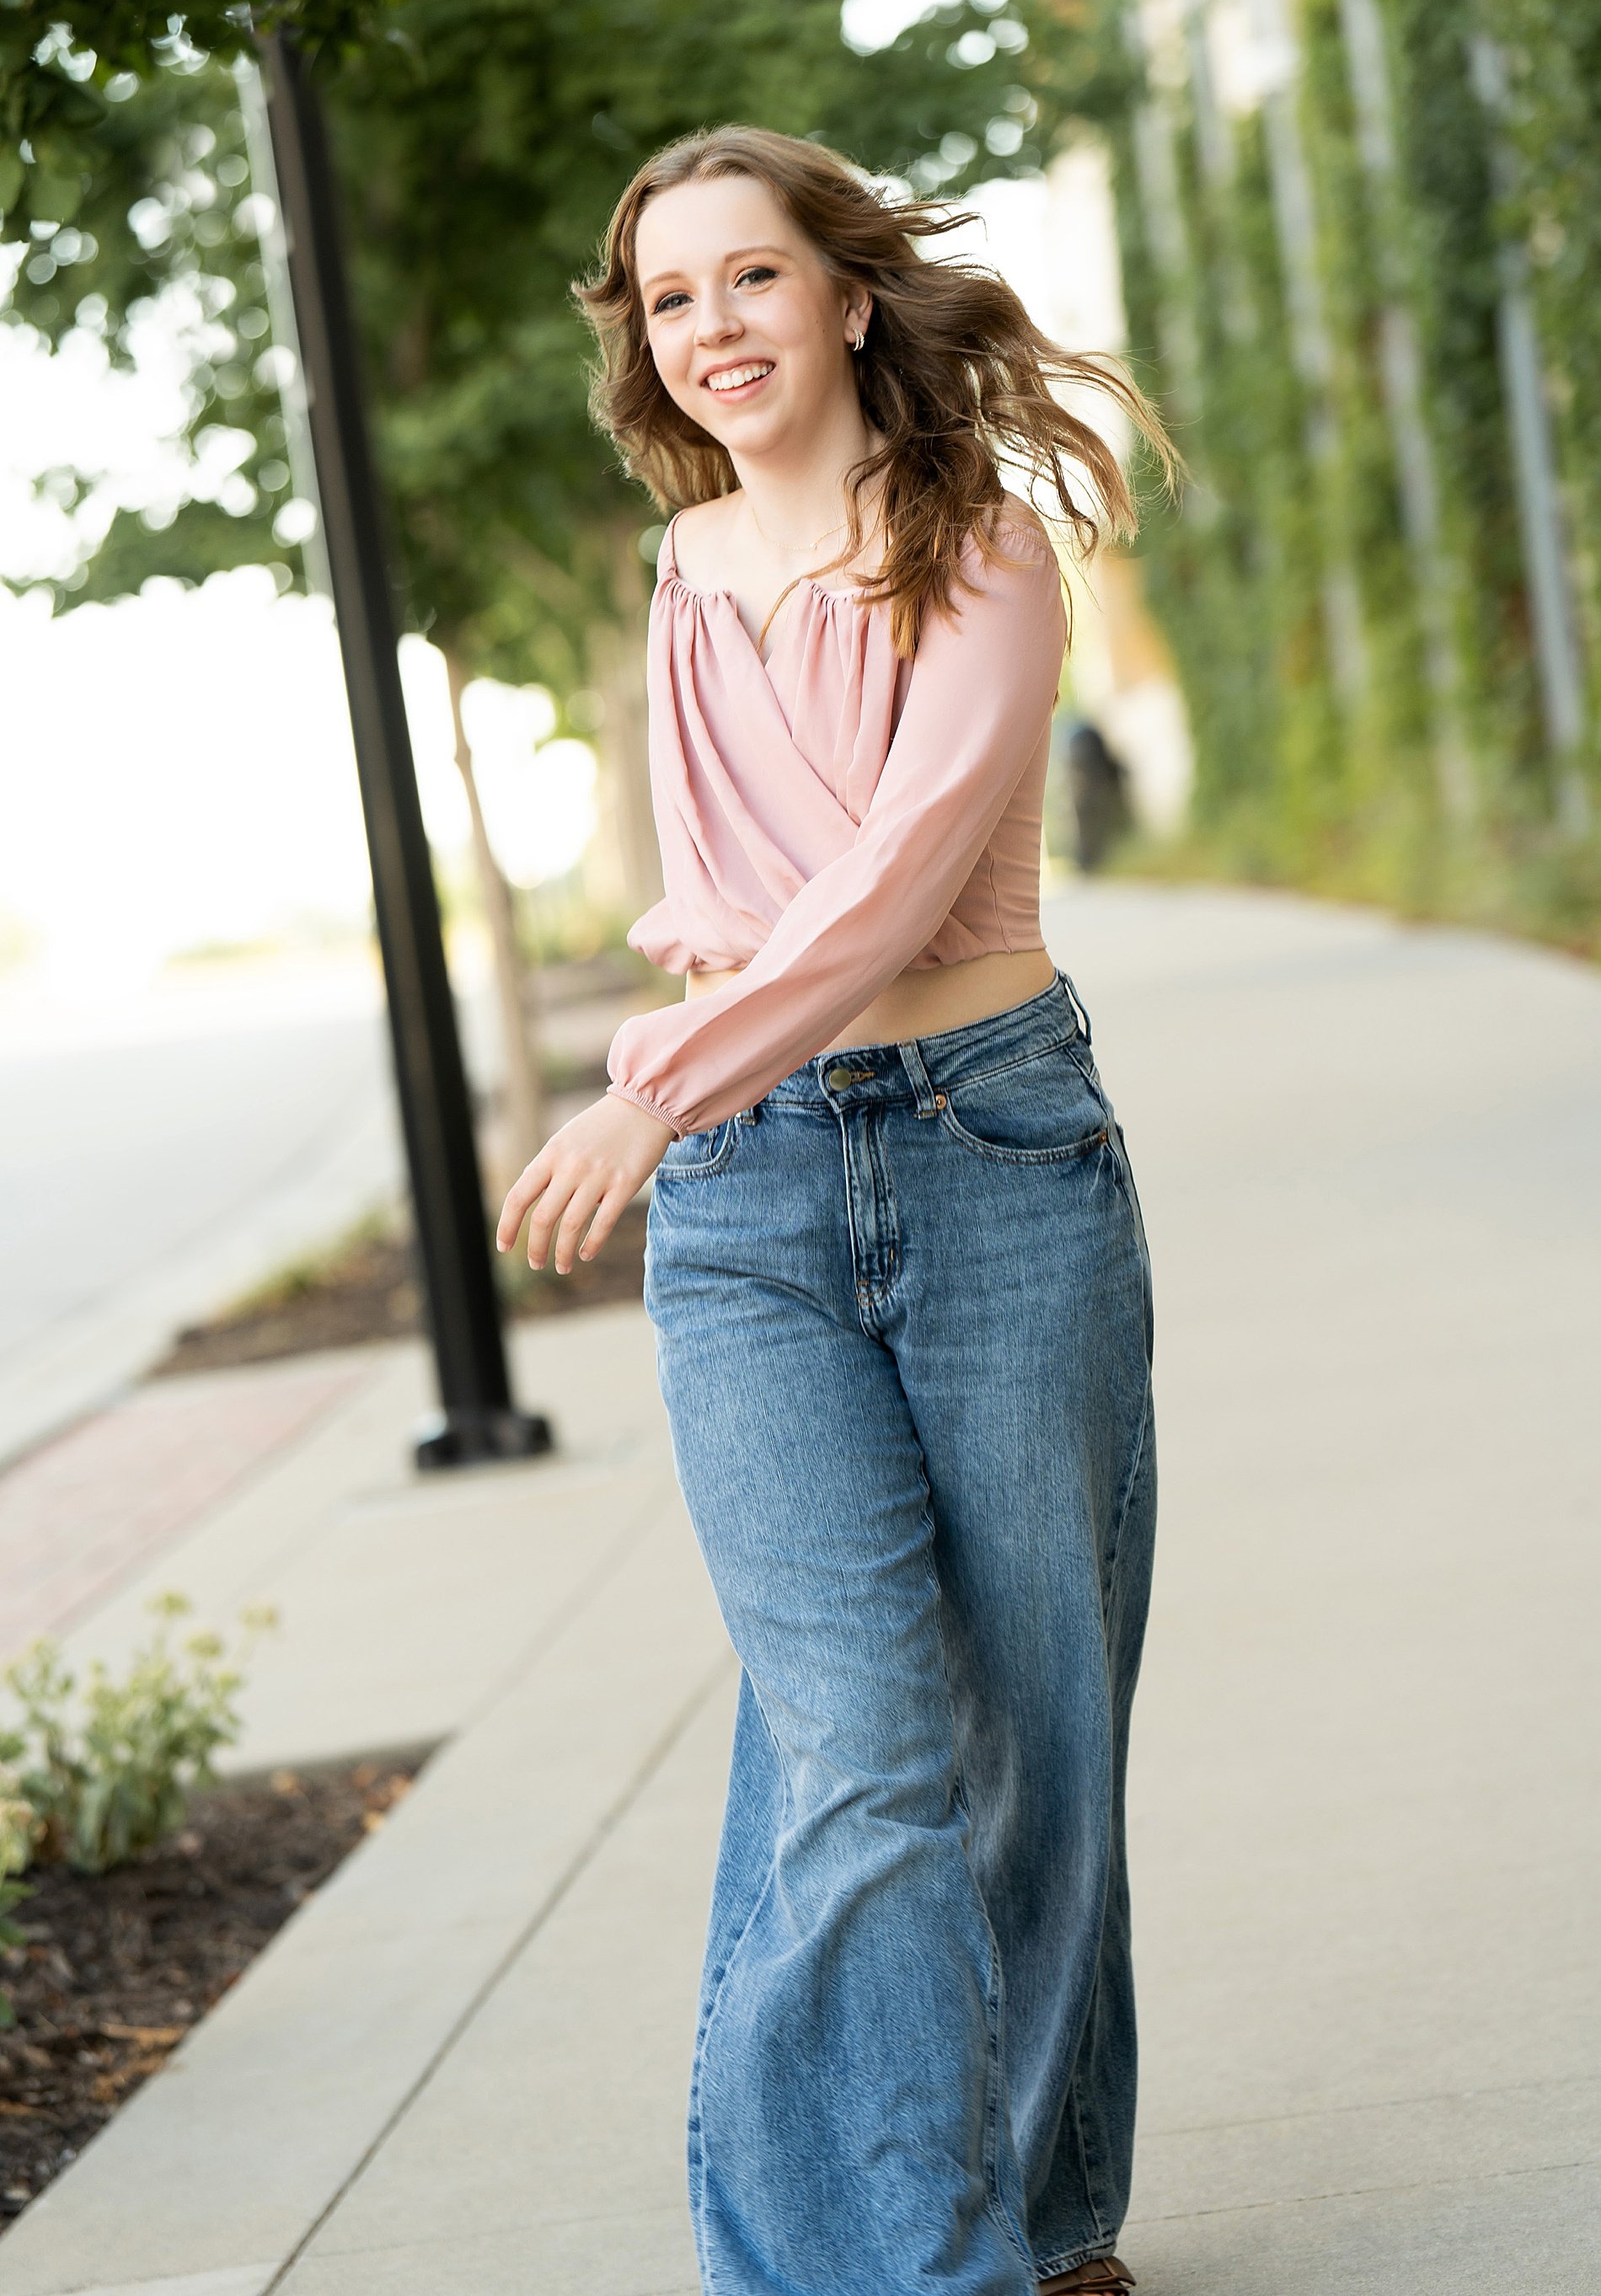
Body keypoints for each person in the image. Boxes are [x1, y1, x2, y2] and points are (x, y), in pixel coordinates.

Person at [496, 124, 1170, 2296]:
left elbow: (889, 877)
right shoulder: (684, 574)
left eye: (746, 281)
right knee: (856, 1754)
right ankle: (882, 2266)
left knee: (1033, 1738)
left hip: (994, 1152)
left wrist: (655, 1075)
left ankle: (1041, 2220)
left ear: (849, 296)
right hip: (752, 1203)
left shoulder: (978, 546)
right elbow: (729, 896)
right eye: (668, 300)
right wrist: (690, 1075)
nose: (708, 331)